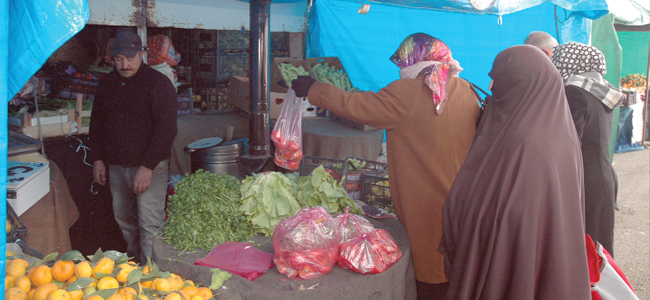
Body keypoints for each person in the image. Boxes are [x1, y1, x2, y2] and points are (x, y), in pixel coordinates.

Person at [292, 33, 481, 299]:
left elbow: (358, 106)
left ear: (415, 61)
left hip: (428, 202)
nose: (402, 69)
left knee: (433, 271)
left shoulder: (409, 92)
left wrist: (315, 89)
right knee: (457, 263)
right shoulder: (466, 90)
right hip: (463, 200)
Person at [440, 45, 591, 299]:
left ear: (520, 82)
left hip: (511, 264)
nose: (490, 87)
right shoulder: (558, 132)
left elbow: (510, 218)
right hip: (545, 266)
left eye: (497, 78)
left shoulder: (523, 141)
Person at [89, 30, 178, 264]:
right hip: (116, 167)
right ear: (112, 58)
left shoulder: (158, 84)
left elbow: (166, 130)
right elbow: (96, 123)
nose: (125, 64)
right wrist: (98, 158)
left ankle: (153, 275)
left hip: (149, 167)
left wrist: (147, 167)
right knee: (125, 221)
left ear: (141, 54)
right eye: (119, 59)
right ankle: (137, 266)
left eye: (130, 58)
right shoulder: (107, 83)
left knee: (150, 222)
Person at [551, 42, 623, 256]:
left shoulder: (575, 92)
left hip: (585, 180)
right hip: (601, 177)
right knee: (599, 248)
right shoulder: (600, 90)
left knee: (588, 251)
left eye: (559, 60)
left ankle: (590, 290)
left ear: (570, 62)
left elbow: (570, 141)